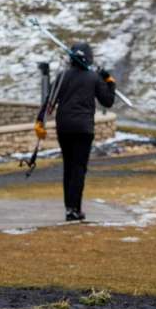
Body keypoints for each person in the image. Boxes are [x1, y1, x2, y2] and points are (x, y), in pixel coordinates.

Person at [37, 42, 116, 221]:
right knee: (78, 169)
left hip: (64, 128)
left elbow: (49, 100)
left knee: (68, 167)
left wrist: (39, 121)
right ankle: (75, 209)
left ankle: (69, 208)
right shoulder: (93, 78)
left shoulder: (62, 76)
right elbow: (108, 101)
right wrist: (109, 82)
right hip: (83, 129)